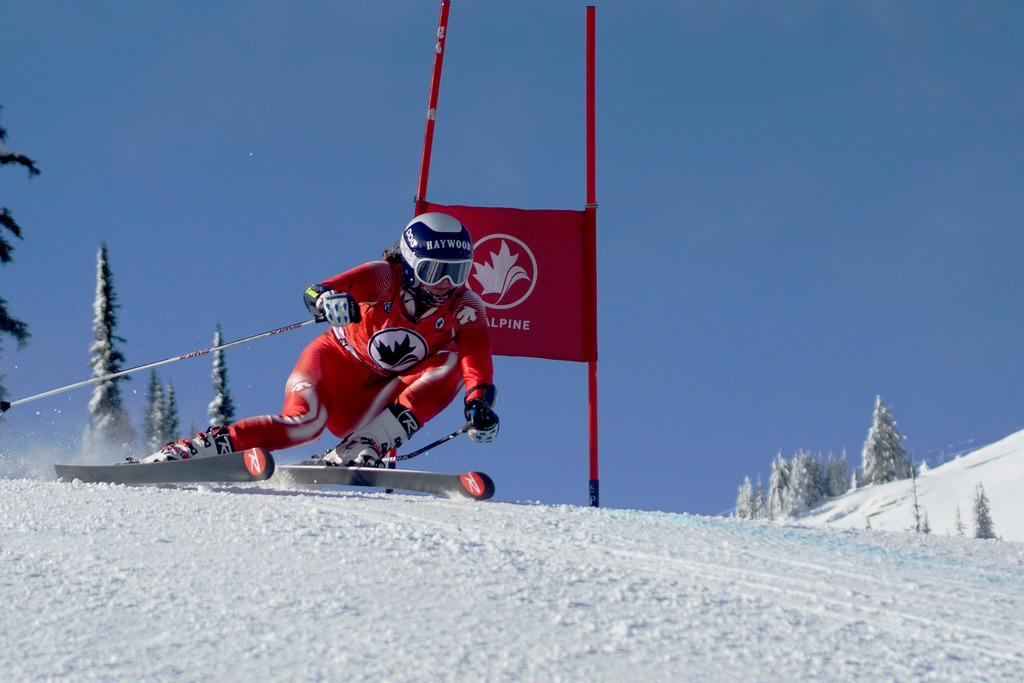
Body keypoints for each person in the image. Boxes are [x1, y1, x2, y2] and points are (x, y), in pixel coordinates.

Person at [143, 212, 499, 465]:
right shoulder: (383, 279)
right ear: (409, 263)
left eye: (458, 273)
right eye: (435, 272)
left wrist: (478, 404)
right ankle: (195, 449)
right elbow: (317, 290)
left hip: (374, 402)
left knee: (450, 361)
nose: (446, 285)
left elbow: (477, 365)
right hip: (333, 365)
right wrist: (331, 301)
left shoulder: (465, 306)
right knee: (304, 424)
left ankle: (366, 444)